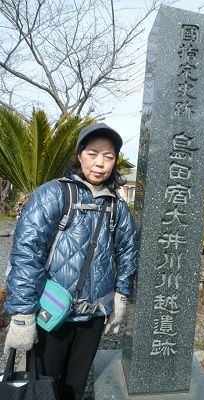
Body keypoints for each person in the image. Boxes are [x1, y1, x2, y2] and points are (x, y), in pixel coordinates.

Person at [4, 123, 138, 400]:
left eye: (109, 156)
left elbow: (128, 250)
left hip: (93, 315)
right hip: (51, 311)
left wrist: (122, 294)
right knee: (43, 384)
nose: (100, 163)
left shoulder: (116, 206)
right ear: (79, 155)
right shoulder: (52, 194)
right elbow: (27, 254)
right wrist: (22, 314)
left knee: (75, 386)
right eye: (92, 153)